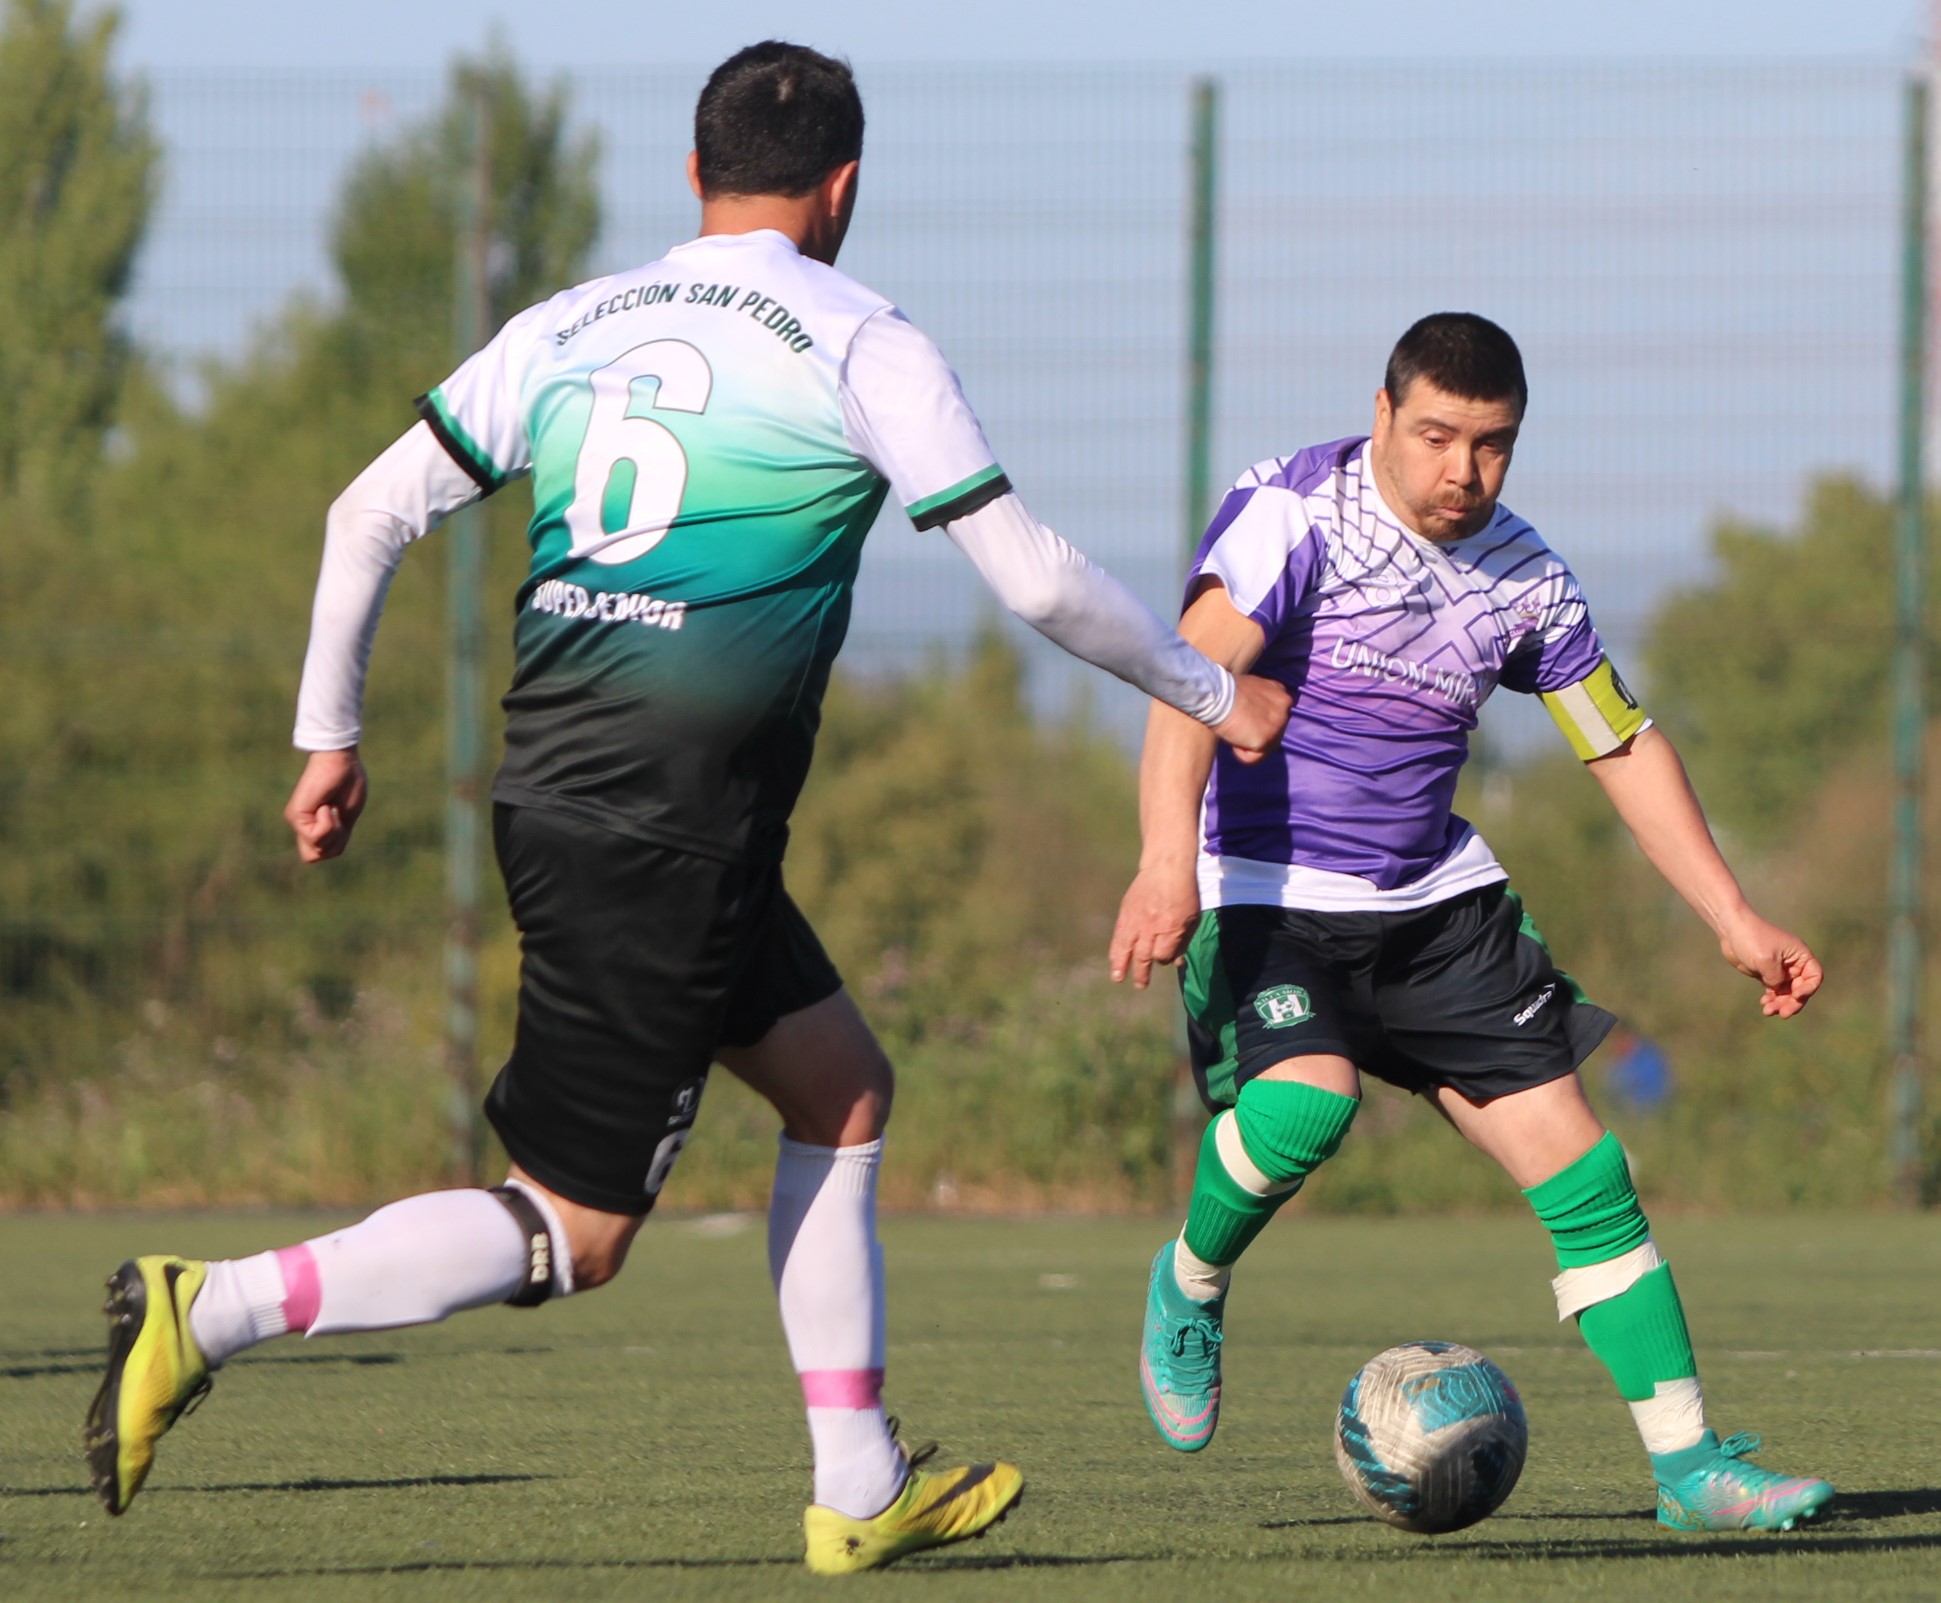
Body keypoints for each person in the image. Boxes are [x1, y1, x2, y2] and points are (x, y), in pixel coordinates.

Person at [84, 42, 1292, 1573]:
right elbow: (1036, 577)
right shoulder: (860, 338)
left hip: (574, 796)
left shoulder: (569, 321)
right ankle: (211, 1306)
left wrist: (329, 735)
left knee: (839, 1087)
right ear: (843, 186)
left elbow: (366, 508)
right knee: (572, 1232)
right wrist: (1213, 691)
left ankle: (860, 1479)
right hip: (662, 834)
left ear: (693, 175)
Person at [1110, 312, 1834, 1533]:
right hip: (1267, 894)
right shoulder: (1297, 513)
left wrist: (1733, 913)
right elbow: (1192, 678)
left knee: (1589, 1172)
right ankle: (1189, 1281)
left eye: (1492, 444)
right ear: (1383, 415)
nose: (1463, 469)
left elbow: (1619, 741)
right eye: (1438, 435)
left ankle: (1691, 1470)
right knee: (1303, 1108)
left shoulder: (1526, 575)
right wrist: (1161, 862)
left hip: (1437, 908)